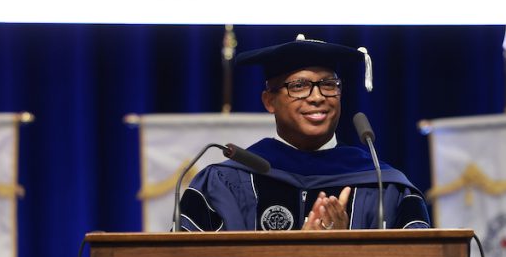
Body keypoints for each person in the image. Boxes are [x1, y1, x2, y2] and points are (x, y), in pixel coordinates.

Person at [178, 35, 431, 232]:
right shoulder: (223, 183)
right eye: (299, 86)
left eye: (329, 85)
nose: (318, 97)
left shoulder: (384, 185)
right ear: (269, 101)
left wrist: (350, 249)